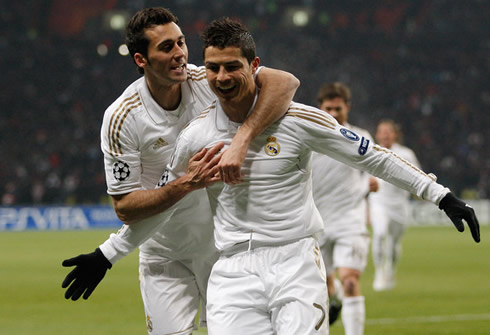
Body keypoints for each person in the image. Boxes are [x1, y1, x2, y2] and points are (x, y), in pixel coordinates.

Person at [159, 17, 479, 334]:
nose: (221, 76)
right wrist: (114, 251)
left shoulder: (298, 120)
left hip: (295, 263)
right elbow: (167, 195)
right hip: (232, 271)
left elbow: (374, 157)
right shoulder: (195, 136)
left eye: (231, 66)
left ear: (255, 65)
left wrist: (440, 195)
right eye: (213, 68)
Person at [61, 7, 300, 335]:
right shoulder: (122, 118)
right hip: (165, 254)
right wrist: (187, 183)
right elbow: (126, 207)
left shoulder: (206, 80)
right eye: (166, 47)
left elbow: (285, 83)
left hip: (223, 248)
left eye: (181, 43)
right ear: (140, 60)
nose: (179, 55)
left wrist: (242, 138)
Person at [311, 82, 378, 334]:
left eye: (338, 108)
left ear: (347, 107)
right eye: (329, 108)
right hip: (316, 223)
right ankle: (334, 292)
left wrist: (373, 183)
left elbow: (377, 167)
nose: (334, 114)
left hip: (350, 219)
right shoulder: (309, 137)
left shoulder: (360, 139)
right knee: (323, 287)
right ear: (320, 107)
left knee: (350, 281)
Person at [369, 119, 420, 291]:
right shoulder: (370, 151)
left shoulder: (406, 154)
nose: (384, 134)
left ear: (395, 134)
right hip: (379, 202)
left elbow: (417, 177)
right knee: (380, 234)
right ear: (377, 134)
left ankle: (390, 270)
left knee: (394, 243)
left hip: (399, 205)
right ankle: (379, 273)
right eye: (381, 131)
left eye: (388, 131)